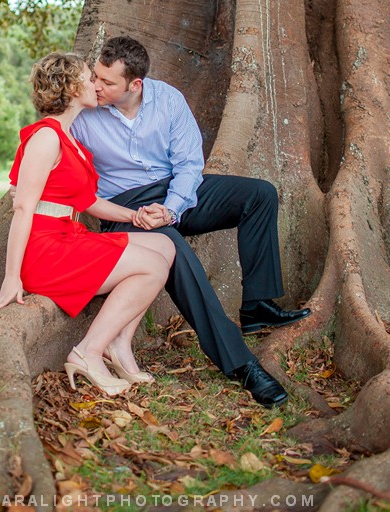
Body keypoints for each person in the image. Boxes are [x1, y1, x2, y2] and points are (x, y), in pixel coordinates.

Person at [71, 36, 312, 408]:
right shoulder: (85, 113)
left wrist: (170, 209)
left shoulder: (167, 100)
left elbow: (188, 165)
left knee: (259, 194)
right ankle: (241, 363)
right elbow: (61, 164)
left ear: (135, 84)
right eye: (95, 76)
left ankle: (257, 304)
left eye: (107, 82)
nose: (96, 86)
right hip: (124, 207)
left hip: (173, 193)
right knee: (175, 251)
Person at [0, 52, 175, 396]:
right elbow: (23, 207)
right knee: (152, 267)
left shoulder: (68, 137)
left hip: (68, 235)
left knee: (164, 245)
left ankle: (119, 343)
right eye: (90, 78)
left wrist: (134, 216)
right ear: (73, 88)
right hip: (46, 251)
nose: (96, 85)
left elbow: (86, 202)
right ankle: (88, 351)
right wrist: (12, 277)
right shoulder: (46, 137)